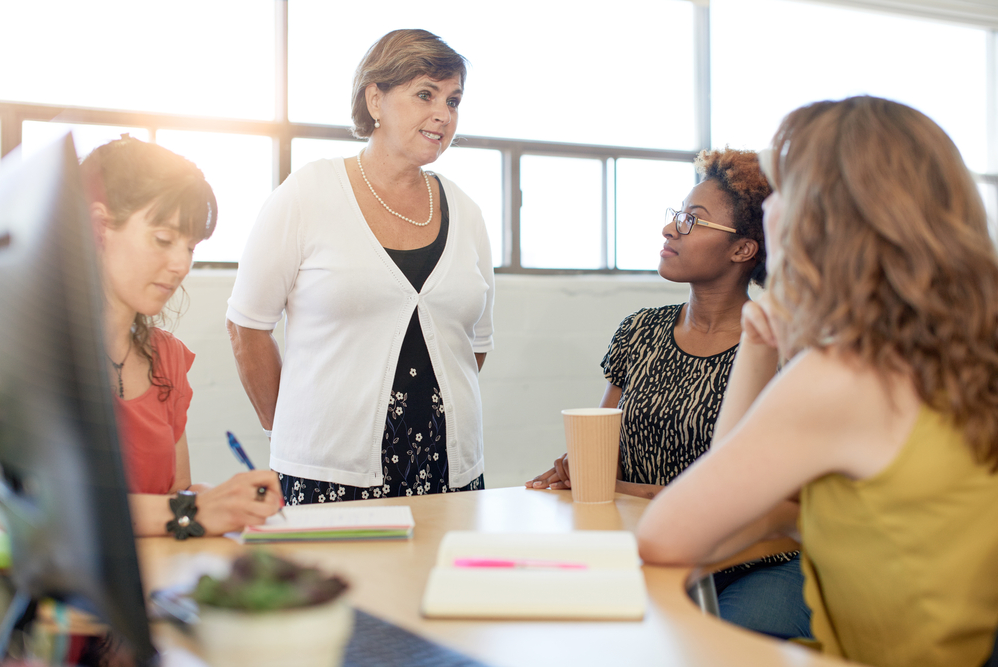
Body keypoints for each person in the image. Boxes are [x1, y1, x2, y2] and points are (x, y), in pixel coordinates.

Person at [636, 97, 998, 667]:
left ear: (819, 218)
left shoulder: (845, 375)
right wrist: (793, 516)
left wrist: (759, 344)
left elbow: (667, 536)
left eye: (782, 193)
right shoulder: (969, 350)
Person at [528, 148, 810, 639]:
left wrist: (638, 493)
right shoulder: (640, 330)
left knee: (705, 641)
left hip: (756, 563)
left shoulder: (777, 349)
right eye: (675, 215)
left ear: (743, 250)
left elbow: (777, 502)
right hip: (650, 547)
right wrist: (579, 467)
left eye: (692, 221)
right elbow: (601, 451)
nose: (670, 229)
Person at [226, 29, 495, 505]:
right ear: (376, 99)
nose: (442, 114)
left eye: (453, 101)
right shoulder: (308, 192)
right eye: (425, 95)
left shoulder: (466, 211)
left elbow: (474, 345)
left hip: (449, 472)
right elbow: (247, 326)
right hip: (326, 473)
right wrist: (287, 430)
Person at [81, 136, 281, 537]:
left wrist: (227, 499)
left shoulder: (166, 359)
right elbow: (61, 509)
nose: (180, 265)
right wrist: (195, 509)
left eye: (190, 247)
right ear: (99, 228)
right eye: (163, 239)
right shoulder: (43, 355)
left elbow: (175, 492)